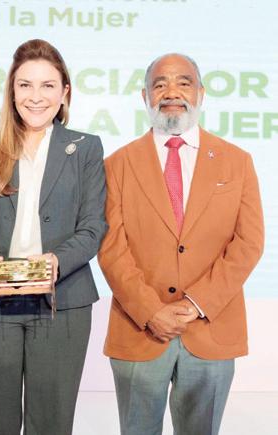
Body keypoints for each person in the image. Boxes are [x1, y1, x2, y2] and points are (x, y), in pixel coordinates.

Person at [98, 53, 264, 435]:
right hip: (139, 331)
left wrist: (196, 303)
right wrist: (151, 311)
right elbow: (110, 247)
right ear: (145, 97)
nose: (171, 92)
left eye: (183, 82)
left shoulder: (237, 162)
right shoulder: (117, 164)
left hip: (210, 329)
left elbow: (249, 242)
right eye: (160, 84)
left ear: (201, 94)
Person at [0, 39, 107, 435]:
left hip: (62, 300)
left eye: (47, 85)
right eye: (25, 85)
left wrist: (55, 262)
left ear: (65, 92)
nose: (36, 97)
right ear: (12, 90)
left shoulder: (86, 148)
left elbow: (93, 227)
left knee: (51, 422)